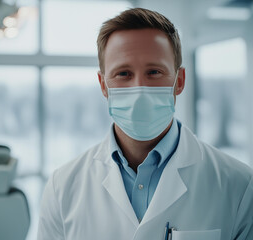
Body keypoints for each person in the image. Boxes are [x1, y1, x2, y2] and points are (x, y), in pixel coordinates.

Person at [38, 8, 253, 240]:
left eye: (154, 71)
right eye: (123, 73)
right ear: (103, 85)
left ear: (179, 81)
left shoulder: (238, 185)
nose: (139, 89)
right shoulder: (62, 188)